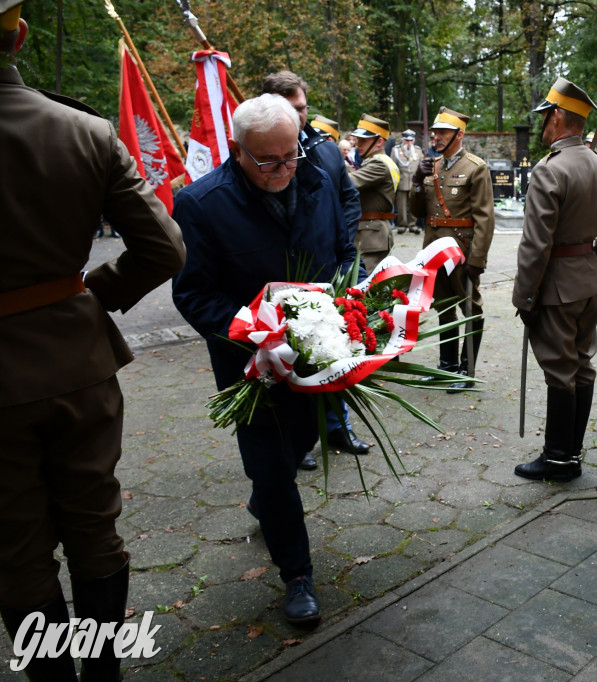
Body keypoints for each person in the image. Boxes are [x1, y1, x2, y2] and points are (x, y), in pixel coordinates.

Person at [0, 2, 186, 678]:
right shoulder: (85, 131)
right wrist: (89, 297)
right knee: (93, 527)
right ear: (18, 34)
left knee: (15, 551)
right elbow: (163, 248)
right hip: (78, 365)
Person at [172, 94, 359, 625]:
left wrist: (350, 299)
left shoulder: (316, 179)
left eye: (291, 155)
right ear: (237, 150)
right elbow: (192, 293)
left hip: (318, 357)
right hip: (250, 368)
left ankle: (265, 499)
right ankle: (297, 575)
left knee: (301, 441)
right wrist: (254, 335)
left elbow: (344, 252)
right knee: (273, 467)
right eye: (268, 161)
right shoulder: (200, 204)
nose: (283, 170)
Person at [511, 77, 597, 482]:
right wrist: (590, 261)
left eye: (546, 115)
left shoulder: (551, 171)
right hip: (587, 284)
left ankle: (559, 458)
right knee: (582, 367)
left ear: (559, 116)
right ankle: (571, 454)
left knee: (561, 371)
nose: (544, 124)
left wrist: (524, 298)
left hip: (556, 290)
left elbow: (535, 245)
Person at [260, 71, 370, 457]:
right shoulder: (259, 152)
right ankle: (300, 440)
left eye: (303, 108)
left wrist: (341, 249)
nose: (301, 117)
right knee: (292, 356)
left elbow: (348, 200)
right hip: (281, 281)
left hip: (327, 272)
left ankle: (339, 428)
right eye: (292, 110)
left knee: (333, 348)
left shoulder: (324, 150)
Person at [410, 107, 495, 393]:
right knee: (443, 307)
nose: (436, 137)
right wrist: (416, 183)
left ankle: (467, 370)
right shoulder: (432, 166)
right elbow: (417, 212)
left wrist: (477, 259)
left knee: (470, 307)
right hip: (434, 249)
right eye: (434, 132)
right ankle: (446, 367)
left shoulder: (475, 167)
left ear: (458, 134)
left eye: (443, 132)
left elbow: (485, 217)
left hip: (461, 251)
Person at [348, 114, 399, 272]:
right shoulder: (380, 161)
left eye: (363, 140)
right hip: (371, 233)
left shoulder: (378, 164)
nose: (358, 144)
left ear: (379, 142)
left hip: (371, 235)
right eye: (357, 140)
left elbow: (348, 182)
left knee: (365, 288)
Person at [391, 129, 423, 235]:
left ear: (414, 141)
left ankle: (413, 225)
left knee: (413, 205)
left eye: (411, 141)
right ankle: (402, 225)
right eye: (407, 141)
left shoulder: (418, 150)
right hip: (402, 181)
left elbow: (421, 166)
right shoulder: (396, 150)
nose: (409, 143)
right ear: (403, 140)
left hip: (414, 182)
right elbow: (392, 167)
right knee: (401, 206)